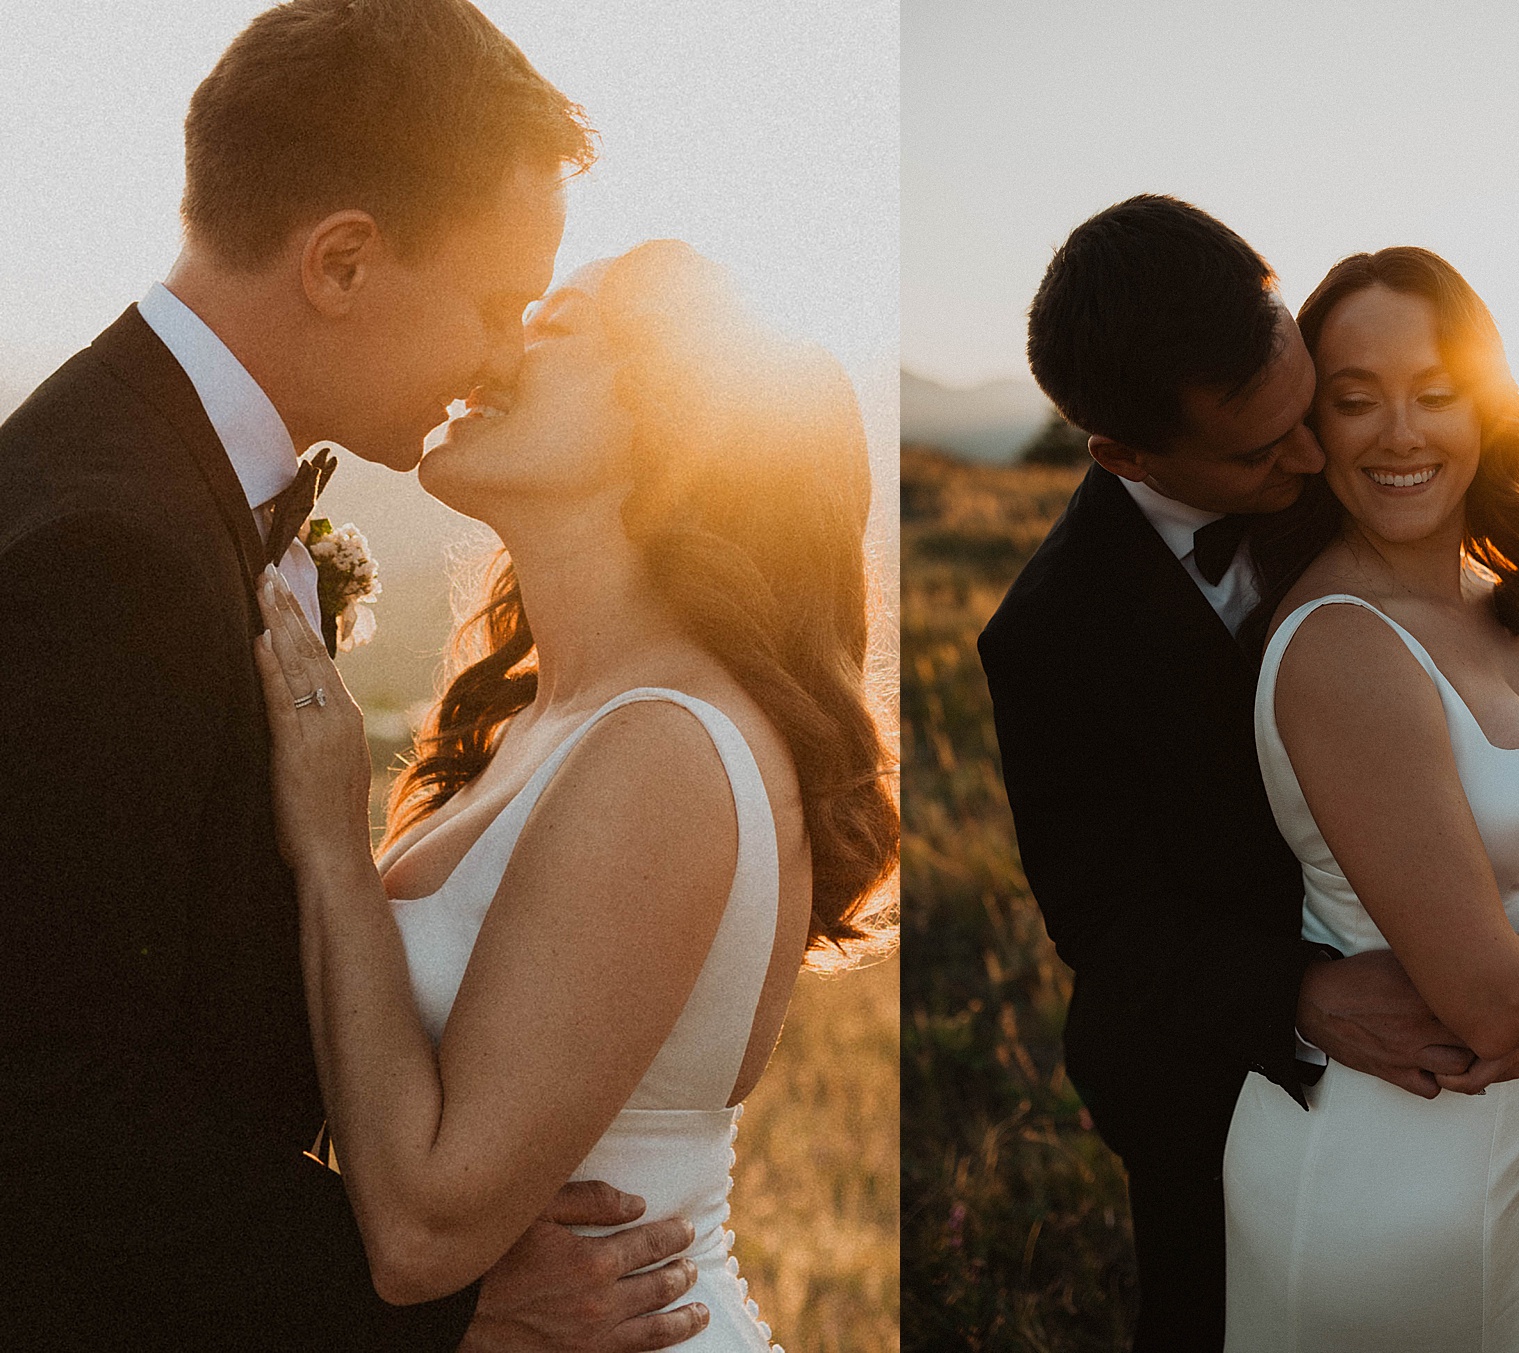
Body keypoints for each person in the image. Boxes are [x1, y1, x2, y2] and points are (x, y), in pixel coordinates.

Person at [0, 2, 705, 1347]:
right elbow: (40, 1096)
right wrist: (453, 1308)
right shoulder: (104, 552)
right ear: (340, 264)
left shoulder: (142, 479)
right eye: (499, 305)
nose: (509, 355)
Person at [977, 195, 1519, 1351]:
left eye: (1312, 399)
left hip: (1502, 1118)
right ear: (1128, 454)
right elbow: (1105, 919)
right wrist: (1297, 993)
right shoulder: (1053, 634)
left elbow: (1446, 717)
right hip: (1230, 1070)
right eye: (1270, 446)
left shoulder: (1361, 484)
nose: (1318, 453)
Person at [250, 239, 898, 1353]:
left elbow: (421, 1231)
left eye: (551, 329)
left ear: (672, 425)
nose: (492, 351)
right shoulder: (540, 724)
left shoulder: (667, 751)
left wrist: (326, 843)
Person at [1224, 246, 1519, 1350]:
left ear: (1483, 405)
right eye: (1356, 401)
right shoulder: (1343, 647)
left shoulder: (1498, 597)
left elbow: (1513, 793)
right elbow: (1488, 1008)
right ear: (1312, 426)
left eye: (1435, 394)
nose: (1401, 433)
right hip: (1379, 1187)